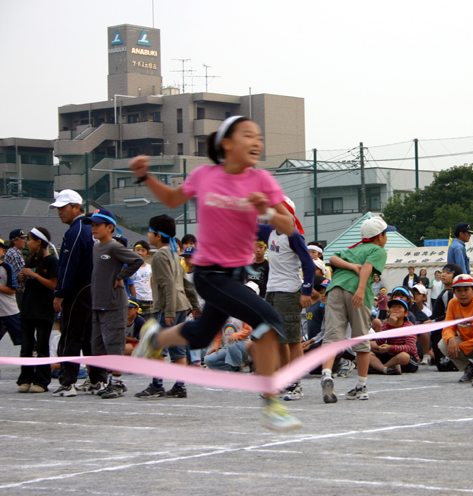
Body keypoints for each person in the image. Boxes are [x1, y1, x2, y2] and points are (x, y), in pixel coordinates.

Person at [130, 115, 302, 431]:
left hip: (237, 275)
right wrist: (145, 177)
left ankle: (153, 336)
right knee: (270, 320)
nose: (256, 142)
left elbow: (289, 225)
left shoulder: (262, 180)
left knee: (200, 334)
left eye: (259, 137)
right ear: (226, 143)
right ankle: (271, 401)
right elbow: (171, 199)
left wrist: (265, 209)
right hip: (210, 274)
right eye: (248, 135)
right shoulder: (205, 175)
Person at [319, 216, 394, 404]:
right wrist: (361, 288)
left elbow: (333, 258)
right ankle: (361, 386)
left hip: (334, 289)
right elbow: (367, 267)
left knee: (332, 336)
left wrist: (351, 265)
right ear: (379, 236)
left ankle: (327, 374)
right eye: (386, 235)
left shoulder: (351, 249)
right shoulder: (378, 249)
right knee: (361, 338)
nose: (386, 239)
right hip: (356, 291)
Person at [134, 215, 201, 399]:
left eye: (149, 231)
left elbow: (169, 284)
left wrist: (168, 311)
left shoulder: (159, 257)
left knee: (158, 346)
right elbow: (185, 283)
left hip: (167, 307)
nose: (147, 234)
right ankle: (180, 386)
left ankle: (157, 385)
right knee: (178, 348)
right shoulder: (174, 253)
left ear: (157, 235)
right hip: (181, 306)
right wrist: (195, 305)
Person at [257, 198, 315, 402]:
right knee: (279, 339)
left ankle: (296, 384)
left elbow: (308, 264)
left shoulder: (293, 235)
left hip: (288, 292)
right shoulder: (269, 232)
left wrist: (306, 291)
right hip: (272, 291)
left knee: (292, 339)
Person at [84, 209, 144, 398]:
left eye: (97, 225)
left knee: (114, 343)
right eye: (92, 225)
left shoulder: (113, 246)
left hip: (114, 303)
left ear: (110, 227)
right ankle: (104, 381)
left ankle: (117, 382)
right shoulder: (96, 247)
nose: (94, 228)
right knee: (97, 345)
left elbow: (137, 260)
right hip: (98, 303)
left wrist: (120, 277)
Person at [49, 189, 95, 397]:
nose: (59, 212)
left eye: (63, 207)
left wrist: (60, 293)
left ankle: (68, 382)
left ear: (76, 207)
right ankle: (97, 379)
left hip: (78, 288)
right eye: (57, 208)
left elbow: (68, 265)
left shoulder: (76, 230)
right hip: (90, 287)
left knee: (70, 335)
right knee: (87, 336)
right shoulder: (89, 228)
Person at [16, 228, 58, 393]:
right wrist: (24, 279)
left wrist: (35, 276)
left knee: (42, 346)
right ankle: (25, 379)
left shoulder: (51, 261)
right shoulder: (30, 259)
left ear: (39, 241)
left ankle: (41, 381)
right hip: (28, 308)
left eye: (30, 240)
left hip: (44, 309)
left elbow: (53, 285)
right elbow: (30, 285)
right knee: (26, 346)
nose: (28, 243)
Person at [438, 274, 473, 382]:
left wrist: (461, 346)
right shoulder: (453, 303)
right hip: (466, 341)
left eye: (466, 289)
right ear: (454, 292)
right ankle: (469, 368)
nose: (462, 294)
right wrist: (451, 339)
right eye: (458, 290)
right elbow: (448, 327)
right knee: (443, 343)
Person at [369, 298, 419, 374]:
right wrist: (389, 326)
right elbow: (379, 342)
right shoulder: (386, 325)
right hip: (390, 355)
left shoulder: (409, 326)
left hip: (408, 359)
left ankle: (381, 368)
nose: (396, 308)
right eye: (393, 306)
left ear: (406, 313)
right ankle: (385, 369)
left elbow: (410, 348)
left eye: (399, 307)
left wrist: (390, 347)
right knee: (368, 354)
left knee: (404, 356)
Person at [0, 239, 22, 348]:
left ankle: (32, 357)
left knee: (23, 338)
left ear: (3, 252)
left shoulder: (7, 267)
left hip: (9, 310)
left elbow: (12, 289)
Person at [132, 241, 154, 321]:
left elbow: (152, 284)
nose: (140, 252)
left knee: (148, 322)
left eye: (143, 250)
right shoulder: (129, 268)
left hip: (148, 300)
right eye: (137, 250)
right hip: (135, 299)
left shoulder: (150, 268)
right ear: (134, 251)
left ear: (147, 253)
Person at [5, 229, 26, 308]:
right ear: (14, 241)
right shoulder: (14, 254)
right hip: (17, 291)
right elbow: (20, 275)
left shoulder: (13, 252)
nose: (24, 241)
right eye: (22, 238)